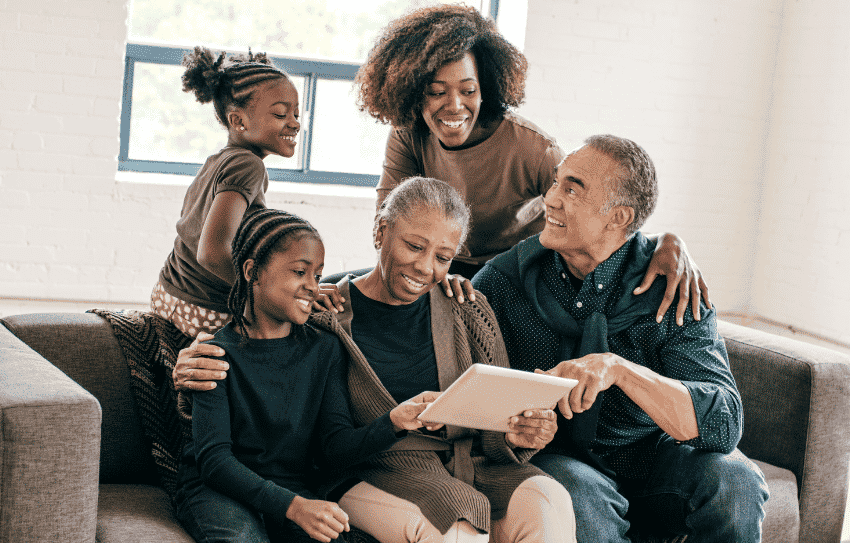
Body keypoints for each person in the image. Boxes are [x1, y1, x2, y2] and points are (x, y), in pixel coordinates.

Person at [180, 177, 577, 543]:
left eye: (443, 256)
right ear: (381, 231)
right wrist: (189, 365)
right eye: (415, 246)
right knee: (454, 518)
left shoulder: (468, 308)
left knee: (548, 497)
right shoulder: (324, 316)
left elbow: (496, 415)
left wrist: (517, 433)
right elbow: (265, 348)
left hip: (473, 465)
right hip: (381, 468)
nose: (426, 267)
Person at [472, 135, 769, 543]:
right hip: (561, 460)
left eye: (571, 189)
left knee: (735, 479)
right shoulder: (506, 282)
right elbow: (472, 399)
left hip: (652, 460)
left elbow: (724, 422)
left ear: (618, 218)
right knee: (573, 492)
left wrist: (621, 370)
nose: (550, 199)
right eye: (556, 182)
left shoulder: (671, 288)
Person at [357, 4, 708, 322]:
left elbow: (595, 211)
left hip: (517, 272)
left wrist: (665, 241)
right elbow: (387, 223)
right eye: (437, 92)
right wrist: (432, 271)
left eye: (468, 91)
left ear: (487, 88)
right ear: (413, 89)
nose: (454, 106)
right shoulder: (408, 135)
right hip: (442, 262)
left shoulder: (532, 148)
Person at [175, 207, 443, 543]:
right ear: (252, 271)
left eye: (317, 275)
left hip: (294, 491)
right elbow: (215, 463)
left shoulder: (324, 349)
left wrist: (393, 422)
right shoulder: (213, 355)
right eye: (300, 272)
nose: (312, 288)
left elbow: (334, 447)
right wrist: (293, 507)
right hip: (219, 490)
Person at [152, 46, 302, 337]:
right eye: (281, 114)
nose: (295, 123)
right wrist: (265, 296)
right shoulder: (249, 166)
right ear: (238, 121)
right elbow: (213, 252)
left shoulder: (219, 160)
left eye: (296, 113)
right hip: (202, 308)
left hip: (169, 292)